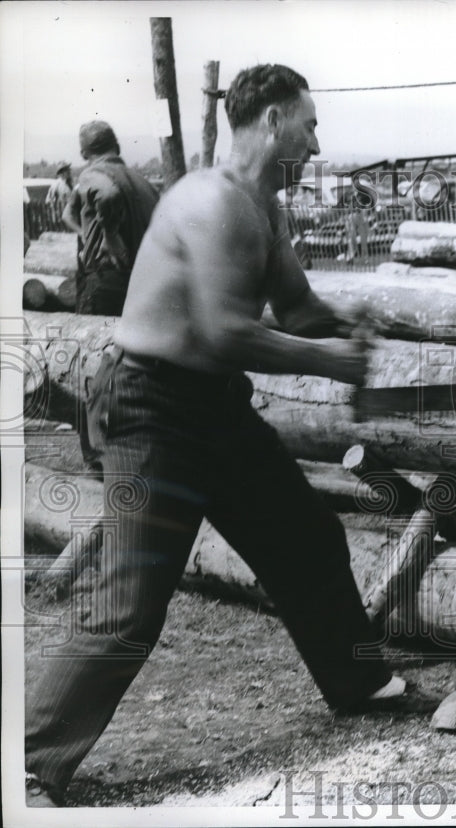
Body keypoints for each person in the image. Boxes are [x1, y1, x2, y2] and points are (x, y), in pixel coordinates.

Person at [24, 64, 433, 809]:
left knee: (307, 535)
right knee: (130, 604)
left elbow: (299, 308)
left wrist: (362, 325)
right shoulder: (211, 201)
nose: (316, 142)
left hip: (212, 407)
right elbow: (223, 332)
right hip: (152, 407)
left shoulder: (264, 210)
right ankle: (30, 763)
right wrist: (329, 359)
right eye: (308, 125)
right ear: (272, 122)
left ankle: (360, 683)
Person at [61, 121, 160, 316]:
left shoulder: (93, 174)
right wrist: (85, 234)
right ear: (117, 146)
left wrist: (110, 235)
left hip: (105, 285)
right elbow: (67, 214)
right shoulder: (146, 185)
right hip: (141, 286)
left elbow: (107, 194)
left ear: (83, 154)